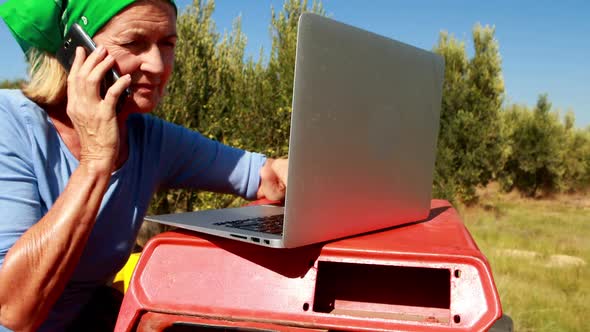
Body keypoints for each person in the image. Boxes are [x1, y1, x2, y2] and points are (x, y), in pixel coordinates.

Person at [0, 0, 288, 330]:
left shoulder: (146, 136)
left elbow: (268, 177)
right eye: (133, 43)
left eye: (167, 44)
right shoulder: (8, 124)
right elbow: (14, 312)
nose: (156, 64)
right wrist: (97, 161)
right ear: (75, 49)